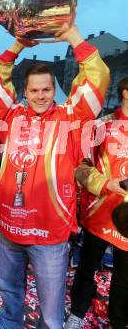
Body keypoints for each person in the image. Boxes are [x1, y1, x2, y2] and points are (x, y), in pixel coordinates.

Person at [0, 24, 110, 329]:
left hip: (49, 235)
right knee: (10, 294)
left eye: (46, 89)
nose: (40, 96)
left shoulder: (71, 120)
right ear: (24, 91)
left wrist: (72, 36)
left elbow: (98, 77)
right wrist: (16, 46)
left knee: (52, 312)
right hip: (10, 228)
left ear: (54, 90)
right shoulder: (9, 118)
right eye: (34, 90)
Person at [66, 76, 128, 329]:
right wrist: (105, 185)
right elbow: (81, 168)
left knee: (125, 276)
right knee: (87, 266)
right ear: (125, 92)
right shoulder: (101, 126)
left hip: (127, 220)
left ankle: (118, 320)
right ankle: (78, 313)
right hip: (101, 212)